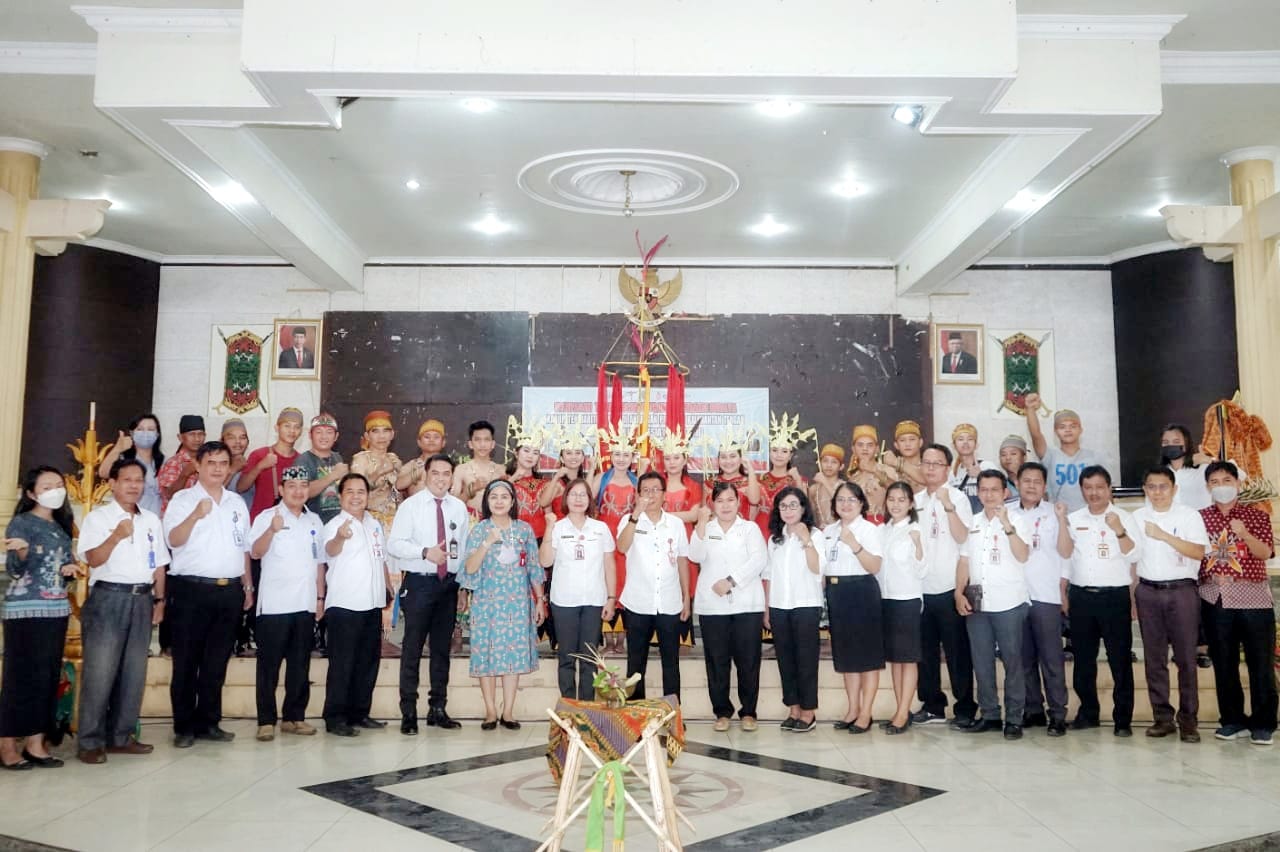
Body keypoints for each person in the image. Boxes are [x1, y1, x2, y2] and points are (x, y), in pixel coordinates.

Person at [75, 459, 171, 764]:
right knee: (100, 673)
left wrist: (160, 600)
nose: (133, 485)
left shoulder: (151, 520)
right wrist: (115, 535)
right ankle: (90, 741)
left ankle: (121, 736)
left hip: (142, 599)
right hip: (109, 598)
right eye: (127, 479)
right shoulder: (98, 518)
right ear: (113, 483)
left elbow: (159, 565)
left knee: (133, 672)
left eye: (139, 480)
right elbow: (92, 559)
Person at [162, 441, 253, 748]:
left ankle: (209, 722)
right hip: (190, 590)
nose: (217, 468)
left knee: (216, 661)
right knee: (186, 661)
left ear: (230, 467)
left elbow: (243, 548)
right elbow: (173, 540)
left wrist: (247, 586)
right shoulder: (183, 500)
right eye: (211, 462)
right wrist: (195, 516)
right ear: (198, 465)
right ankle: (184, 727)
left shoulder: (236, 503)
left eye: (223, 463)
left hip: (228, 590)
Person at [387, 453, 470, 733]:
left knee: (441, 651)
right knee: (412, 649)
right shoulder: (411, 506)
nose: (441, 479)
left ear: (452, 477)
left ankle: (438, 708)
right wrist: (425, 552)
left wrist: (462, 585)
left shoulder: (458, 508)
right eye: (436, 473)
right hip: (420, 583)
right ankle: (408, 712)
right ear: (426, 474)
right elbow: (395, 545)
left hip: (448, 585)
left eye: (447, 474)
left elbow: (464, 548)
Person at [1, 467, 76, 770]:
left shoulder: (61, 526)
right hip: (25, 610)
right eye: (47, 486)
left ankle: (36, 742)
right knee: (20, 678)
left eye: (59, 485)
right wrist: (21, 554)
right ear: (31, 493)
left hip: (55, 609)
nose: (55, 490)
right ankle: (6, 745)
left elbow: (63, 566)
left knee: (46, 677)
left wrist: (69, 571)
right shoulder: (22, 522)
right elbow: (16, 571)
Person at [1198, 461, 1276, 745]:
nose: (1221, 486)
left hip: (1254, 599)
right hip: (1215, 599)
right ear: (1208, 487)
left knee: (1261, 663)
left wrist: (1243, 533)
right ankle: (1232, 720)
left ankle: (1264, 723)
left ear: (1238, 484)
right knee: (1224, 663)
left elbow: (1265, 551)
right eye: (1215, 481)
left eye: (1227, 480)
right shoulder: (1199, 518)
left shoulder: (1257, 516)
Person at [1062, 465, 1141, 736]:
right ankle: (1088, 713)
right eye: (1088, 488)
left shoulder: (1124, 517)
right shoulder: (1074, 519)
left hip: (1114, 597)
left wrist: (1119, 530)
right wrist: (1065, 593)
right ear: (1082, 490)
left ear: (1109, 489)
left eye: (1099, 487)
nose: (1094, 492)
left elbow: (1134, 556)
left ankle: (1123, 720)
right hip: (1082, 597)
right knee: (1084, 659)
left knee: (1119, 659)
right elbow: (1066, 558)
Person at [1132, 466, 1209, 743]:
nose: (1157, 492)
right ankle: (1162, 718)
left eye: (1163, 486)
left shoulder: (1189, 515)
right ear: (1145, 489)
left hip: (1182, 591)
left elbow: (1199, 552)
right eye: (1151, 486)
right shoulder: (1137, 517)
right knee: (1154, 660)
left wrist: (1164, 535)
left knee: (1186, 659)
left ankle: (1189, 721)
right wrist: (1133, 594)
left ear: (1174, 489)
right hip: (1148, 592)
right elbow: (1132, 558)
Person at [248, 466, 325, 742]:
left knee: (299, 665)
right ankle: (266, 720)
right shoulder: (268, 517)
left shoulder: (314, 521)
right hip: (274, 606)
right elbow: (255, 552)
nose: (298, 491)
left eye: (303, 485)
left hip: (304, 604)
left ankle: (295, 716)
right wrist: (271, 530)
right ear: (281, 489)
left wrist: (319, 597)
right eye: (292, 486)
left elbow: (319, 563)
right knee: (268, 666)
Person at [461, 480, 544, 728]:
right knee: (487, 656)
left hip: (517, 604)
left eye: (504, 497)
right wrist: (487, 542)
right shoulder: (478, 530)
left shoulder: (524, 530)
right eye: (493, 497)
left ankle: (508, 711)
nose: (499, 501)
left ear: (512, 501)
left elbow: (533, 567)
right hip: (487, 603)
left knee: (512, 657)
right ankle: (489, 711)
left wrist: (540, 600)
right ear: (487, 501)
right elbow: (469, 568)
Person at [955, 470, 1031, 739]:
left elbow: (1022, 555)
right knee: (982, 661)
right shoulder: (973, 523)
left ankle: (1014, 718)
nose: (988, 495)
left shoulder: (1018, 520)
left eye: (994, 490)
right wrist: (958, 593)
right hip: (977, 604)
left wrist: (1007, 525)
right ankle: (989, 714)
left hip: (1009, 602)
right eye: (983, 490)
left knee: (1012, 661)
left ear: (1005, 492)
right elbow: (964, 561)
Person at [690, 481, 767, 732]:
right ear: (712, 503)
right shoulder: (706, 528)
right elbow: (695, 556)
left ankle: (749, 712)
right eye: (720, 500)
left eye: (730, 500)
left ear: (738, 502)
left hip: (746, 604)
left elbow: (758, 560)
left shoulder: (750, 529)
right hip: (713, 607)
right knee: (717, 661)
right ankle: (722, 712)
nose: (725, 505)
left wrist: (731, 581)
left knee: (748, 661)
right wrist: (700, 523)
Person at [911, 443, 977, 727]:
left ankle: (964, 708)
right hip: (920, 589)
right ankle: (933, 705)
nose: (930, 468)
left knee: (957, 652)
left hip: (950, 589)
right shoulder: (914, 500)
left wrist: (948, 507)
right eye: (926, 462)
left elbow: (965, 539)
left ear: (947, 468)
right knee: (924, 653)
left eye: (937, 463)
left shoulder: (959, 498)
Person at [322, 473, 392, 736]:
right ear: (341, 496)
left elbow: (381, 559)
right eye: (349, 491)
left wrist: (387, 587)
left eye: (361, 491)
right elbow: (330, 550)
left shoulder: (374, 524)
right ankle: (335, 717)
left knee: (366, 662)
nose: (355, 496)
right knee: (342, 663)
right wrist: (340, 537)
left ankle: (359, 713)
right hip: (345, 605)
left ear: (368, 495)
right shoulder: (335, 524)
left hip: (372, 604)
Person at [540, 478, 617, 700]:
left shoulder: (600, 528)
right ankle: (568, 706)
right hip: (564, 601)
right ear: (566, 498)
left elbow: (609, 565)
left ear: (590, 500)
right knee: (566, 656)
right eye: (573, 494)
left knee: (589, 657)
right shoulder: (558, 527)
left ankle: (586, 706)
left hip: (593, 600)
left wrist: (611, 598)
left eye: (583, 495)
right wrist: (548, 528)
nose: (578, 499)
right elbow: (545, 562)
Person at [616, 471, 690, 700]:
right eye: (645, 490)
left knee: (671, 662)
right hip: (638, 603)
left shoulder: (675, 524)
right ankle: (635, 715)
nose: (651, 495)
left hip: (669, 602)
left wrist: (686, 597)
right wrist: (635, 516)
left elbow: (681, 560)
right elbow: (621, 546)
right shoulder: (628, 521)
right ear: (638, 494)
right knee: (636, 663)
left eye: (655, 490)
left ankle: (672, 714)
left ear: (664, 494)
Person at [1010, 462, 1072, 736]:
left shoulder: (1055, 513)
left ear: (1044, 486)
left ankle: (1057, 714)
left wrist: (1062, 590)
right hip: (1014, 596)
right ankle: (1032, 709)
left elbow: (1066, 553)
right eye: (1026, 480)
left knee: (1051, 659)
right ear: (1018, 483)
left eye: (1037, 481)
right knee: (1023, 658)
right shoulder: (1007, 512)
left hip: (1046, 595)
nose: (1031, 485)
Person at [237, 408, 305, 655]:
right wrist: (261, 467)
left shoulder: (300, 459)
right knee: (254, 582)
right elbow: (242, 486)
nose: (292, 431)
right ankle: (247, 634)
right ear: (277, 427)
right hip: (262, 528)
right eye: (287, 426)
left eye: (297, 427)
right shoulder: (260, 454)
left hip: (290, 533)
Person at [763, 485, 827, 733]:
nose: (788, 510)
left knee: (806, 660)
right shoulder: (774, 539)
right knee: (786, 660)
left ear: (803, 508)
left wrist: (806, 540)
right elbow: (769, 574)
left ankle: (808, 712)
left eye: (793, 505)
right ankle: (793, 709)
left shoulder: (815, 535)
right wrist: (767, 609)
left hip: (806, 605)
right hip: (779, 605)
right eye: (783, 506)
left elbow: (817, 569)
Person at [822, 481, 884, 734]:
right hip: (837, 593)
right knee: (847, 656)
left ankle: (866, 712)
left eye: (851, 500)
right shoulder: (828, 530)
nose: (845, 504)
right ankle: (852, 708)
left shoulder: (870, 530)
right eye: (841, 500)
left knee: (867, 658)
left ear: (861, 504)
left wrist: (854, 544)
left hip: (862, 591)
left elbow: (875, 566)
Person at [878, 481, 927, 735]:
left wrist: (918, 544)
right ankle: (901, 709)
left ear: (910, 504)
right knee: (896, 660)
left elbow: (922, 569)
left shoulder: (915, 530)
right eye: (891, 499)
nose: (896, 504)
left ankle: (902, 712)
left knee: (907, 659)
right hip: (886, 600)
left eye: (901, 500)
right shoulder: (882, 530)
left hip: (907, 600)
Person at [351, 410, 403, 634]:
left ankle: (388, 630)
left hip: (393, 524)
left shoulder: (395, 459)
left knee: (394, 578)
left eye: (386, 431)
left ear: (393, 434)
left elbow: (401, 488)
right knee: (372, 575)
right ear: (367, 435)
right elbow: (358, 488)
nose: (381, 436)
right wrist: (382, 471)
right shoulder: (360, 459)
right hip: (370, 523)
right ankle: (371, 629)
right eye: (375, 431)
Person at [595, 428, 640, 655]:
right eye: (617, 454)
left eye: (626, 454)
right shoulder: (600, 479)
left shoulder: (637, 481)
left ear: (633, 458)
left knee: (624, 583)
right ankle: (607, 640)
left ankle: (622, 640)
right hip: (604, 536)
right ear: (610, 456)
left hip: (627, 539)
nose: (621, 459)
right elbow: (588, 505)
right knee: (605, 584)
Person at [658, 431, 702, 648]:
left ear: (685, 460)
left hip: (683, 541)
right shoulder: (656, 484)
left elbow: (694, 515)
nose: (672, 462)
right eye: (668, 458)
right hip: (658, 542)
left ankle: (683, 637)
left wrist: (663, 516)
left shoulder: (693, 486)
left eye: (677, 457)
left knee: (685, 582)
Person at [1024, 394, 1104, 513]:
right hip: (1057, 518)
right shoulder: (1050, 455)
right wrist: (1030, 409)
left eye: (1073, 426)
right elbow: (1036, 435)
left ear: (1081, 430)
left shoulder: (1094, 457)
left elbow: (1106, 490)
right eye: (1062, 427)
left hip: (1087, 518)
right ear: (1055, 432)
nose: (1068, 430)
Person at [97, 413, 165, 515]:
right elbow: (103, 472)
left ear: (157, 434)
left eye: (151, 429)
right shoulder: (124, 459)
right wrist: (118, 448)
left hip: (155, 520)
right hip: (127, 517)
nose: (145, 433)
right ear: (132, 433)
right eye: (140, 429)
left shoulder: (164, 461)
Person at [756, 413, 811, 539]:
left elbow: (805, 506)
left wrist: (797, 479)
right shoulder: (759, 478)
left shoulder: (798, 480)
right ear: (769, 452)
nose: (778, 455)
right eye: (774, 450)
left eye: (784, 451)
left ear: (791, 455)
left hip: (786, 526)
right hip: (761, 527)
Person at [298, 413, 347, 523]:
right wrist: (333, 475)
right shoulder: (302, 461)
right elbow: (301, 492)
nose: (324, 437)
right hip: (313, 523)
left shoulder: (337, 457)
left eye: (329, 432)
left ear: (336, 436)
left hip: (337, 522)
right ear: (310, 435)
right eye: (318, 432)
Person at [451, 420, 506, 517]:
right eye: (477, 440)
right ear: (470, 444)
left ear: (493, 444)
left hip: (497, 522)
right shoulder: (461, 469)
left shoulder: (502, 470)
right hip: (471, 523)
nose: (482, 444)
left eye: (486, 440)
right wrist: (471, 490)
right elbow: (453, 504)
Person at [156, 414, 205, 514]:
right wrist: (185, 474)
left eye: (200, 434)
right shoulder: (174, 463)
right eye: (192, 434)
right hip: (177, 520)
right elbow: (169, 495)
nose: (197, 439)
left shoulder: (206, 461)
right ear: (180, 437)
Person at [1160, 423, 1214, 510]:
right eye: (1165, 442)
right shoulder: (1159, 473)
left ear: (1186, 443)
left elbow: (1240, 475)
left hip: (1200, 521)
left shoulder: (1203, 467)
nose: (1171, 445)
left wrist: (1211, 461)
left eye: (1176, 442)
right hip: (1170, 522)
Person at [948, 423, 999, 513]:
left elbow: (1006, 493)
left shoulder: (987, 466)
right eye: (960, 439)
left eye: (970, 439)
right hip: (961, 523)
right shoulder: (952, 473)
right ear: (953, 445)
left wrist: (981, 475)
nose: (965, 442)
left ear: (976, 445)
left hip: (984, 522)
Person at [397, 418, 448, 497]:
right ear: (419, 442)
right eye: (427, 437)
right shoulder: (411, 465)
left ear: (443, 443)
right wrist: (418, 471)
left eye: (436, 437)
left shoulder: (450, 467)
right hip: (416, 508)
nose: (431, 440)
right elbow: (398, 486)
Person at [881, 420, 927, 492]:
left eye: (912, 439)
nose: (907, 444)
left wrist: (897, 463)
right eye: (902, 440)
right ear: (896, 445)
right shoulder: (890, 470)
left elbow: (926, 480)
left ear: (920, 442)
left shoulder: (929, 466)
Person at [808, 444, 845, 529]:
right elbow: (812, 514)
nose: (829, 465)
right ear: (820, 463)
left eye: (834, 462)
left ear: (841, 466)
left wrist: (824, 482)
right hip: (821, 534)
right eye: (825, 461)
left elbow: (843, 504)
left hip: (840, 533)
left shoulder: (845, 486)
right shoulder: (814, 489)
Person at [220, 418, 253, 509]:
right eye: (231, 438)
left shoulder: (253, 467)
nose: (238, 442)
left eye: (242, 437)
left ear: (247, 442)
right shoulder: (214, 466)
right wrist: (233, 470)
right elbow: (210, 496)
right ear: (222, 441)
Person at [998, 436, 1028, 504]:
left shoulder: (1035, 480)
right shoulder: (1000, 485)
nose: (1008, 458)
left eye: (1013, 454)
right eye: (1003, 454)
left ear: (1024, 457)